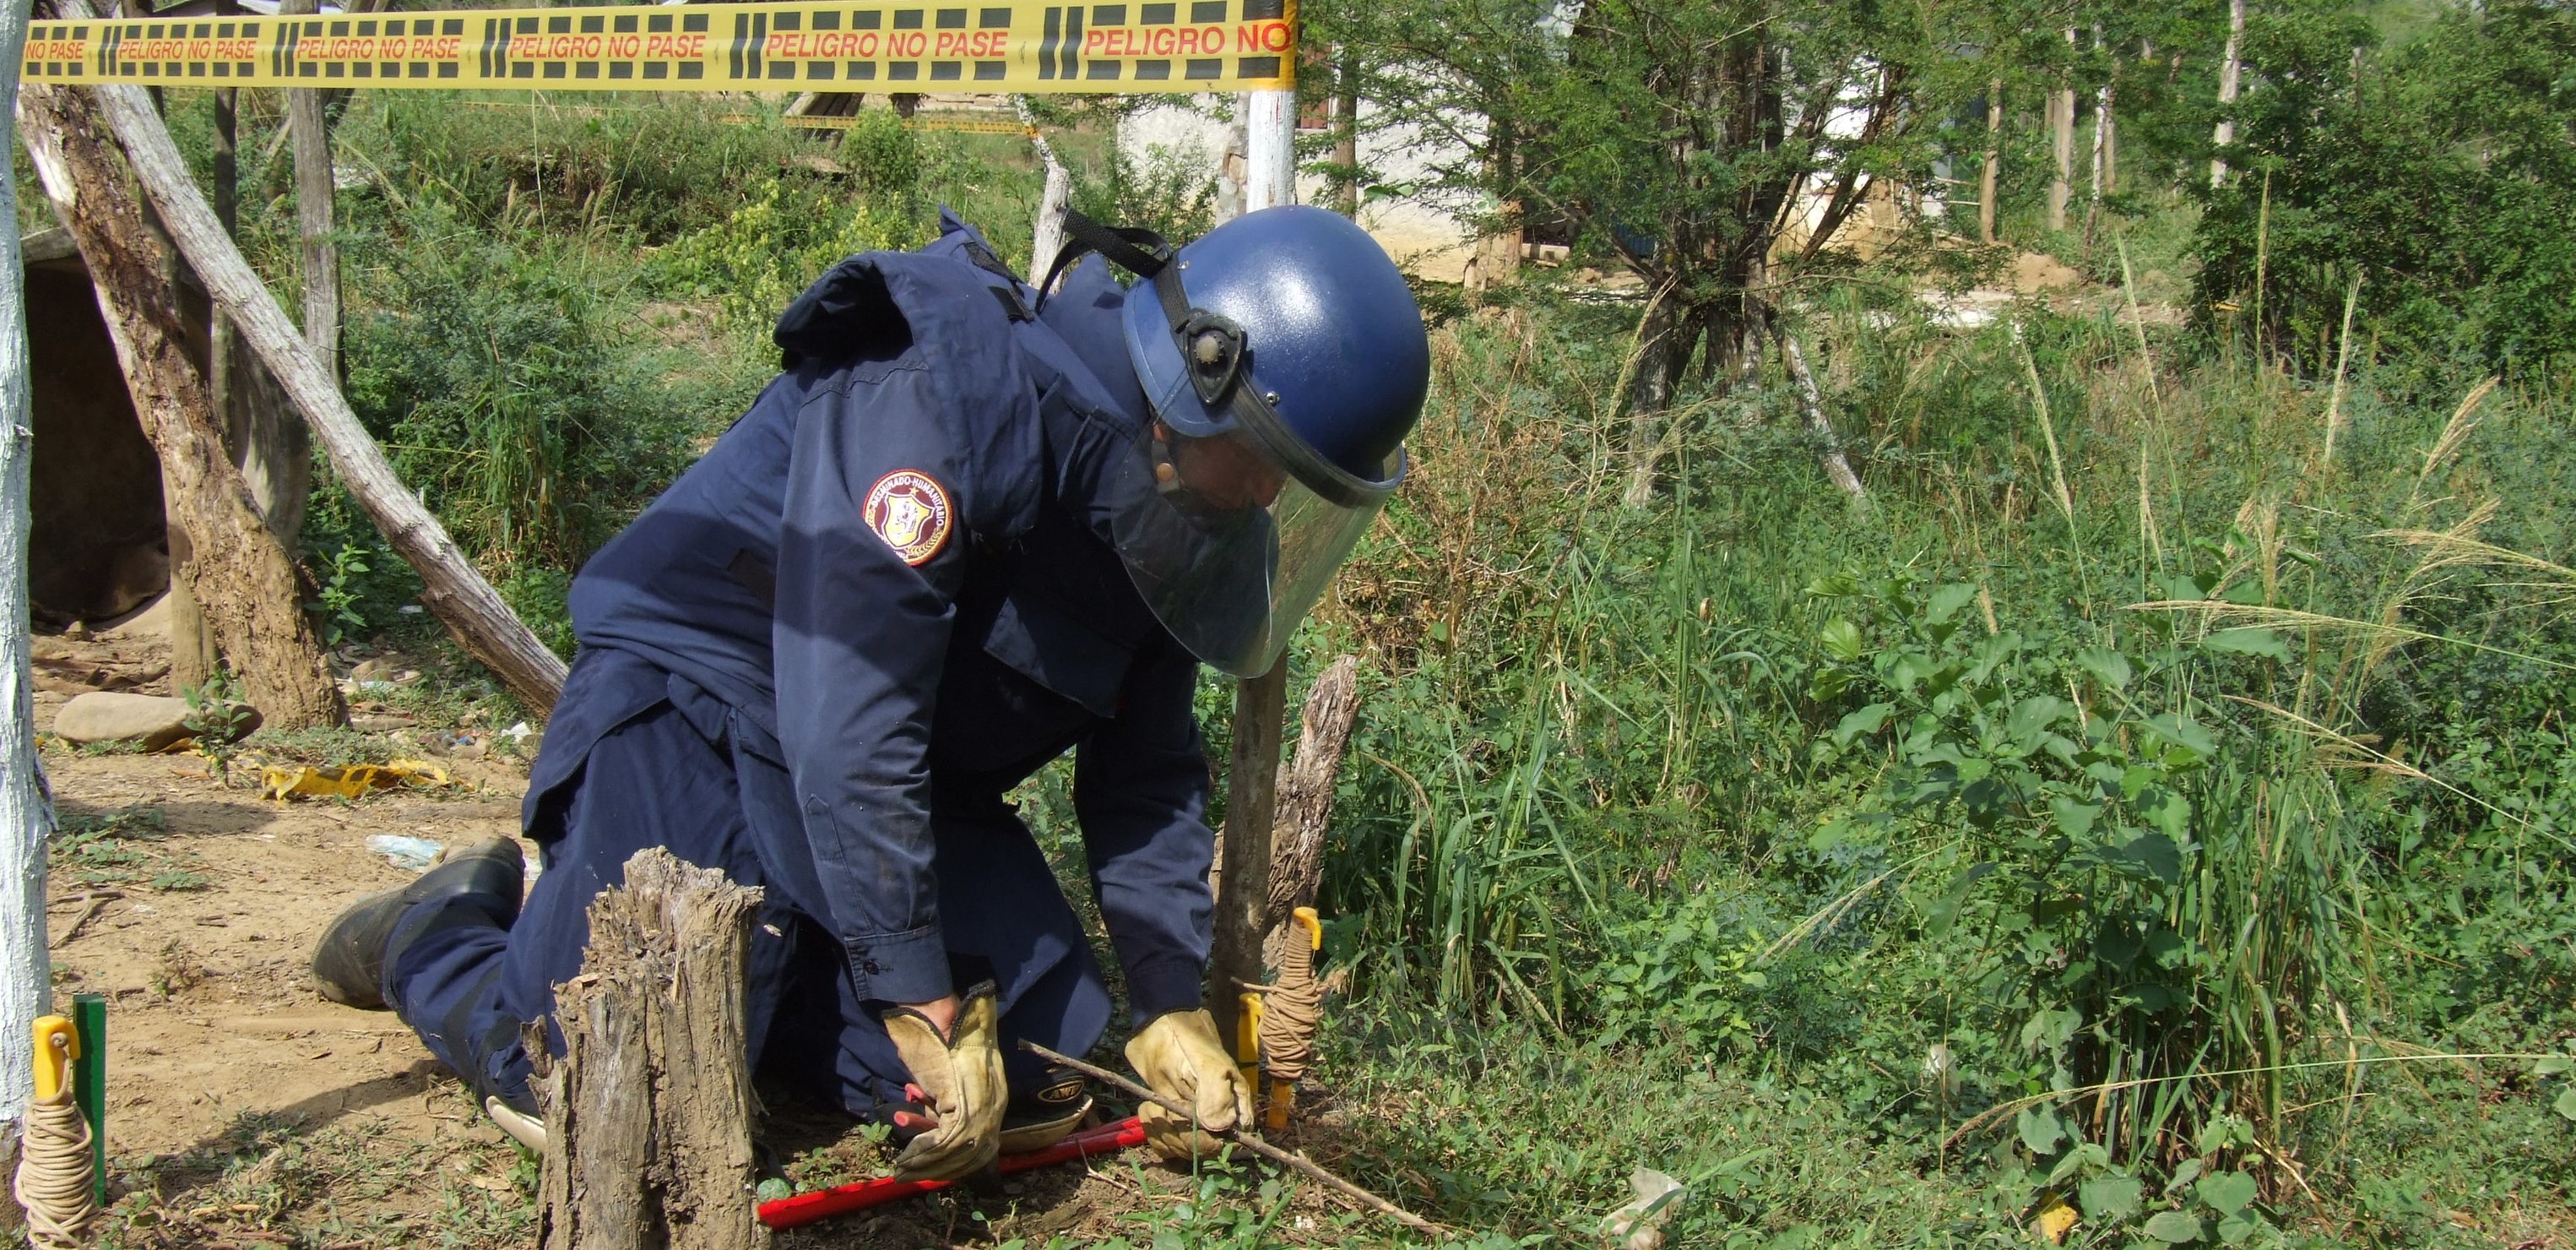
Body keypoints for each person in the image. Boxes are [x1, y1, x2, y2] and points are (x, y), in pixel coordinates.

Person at [307, 204, 1431, 1181]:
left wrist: (1169, 996)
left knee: (1035, 1085)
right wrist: (915, 989)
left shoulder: (1189, 499)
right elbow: (856, 704)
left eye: (1300, 481)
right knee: (606, 1083)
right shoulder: (941, 390)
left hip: (888, 784)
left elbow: (1143, 778)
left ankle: (778, 978)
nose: (1270, 497)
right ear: (1201, 374)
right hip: (701, 701)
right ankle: (435, 934)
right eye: (1269, 461)